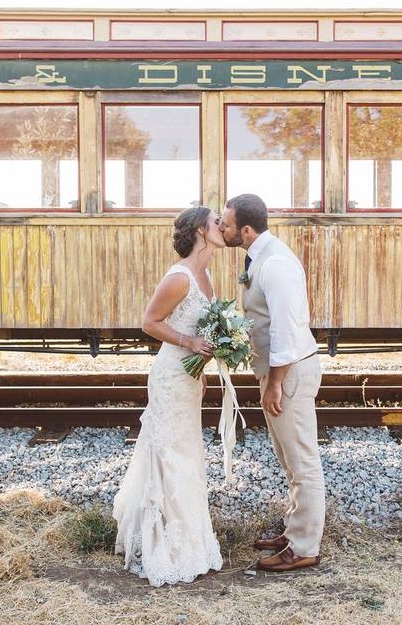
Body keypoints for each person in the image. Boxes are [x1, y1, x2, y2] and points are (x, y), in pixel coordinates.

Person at [112, 205, 226, 586]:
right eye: (216, 223)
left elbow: (203, 332)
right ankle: (162, 543)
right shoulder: (179, 278)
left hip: (189, 379)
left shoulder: (206, 277)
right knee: (168, 455)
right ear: (199, 230)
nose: (222, 227)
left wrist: (203, 366)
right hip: (168, 376)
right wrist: (190, 342)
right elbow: (149, 322)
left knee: (187, 453)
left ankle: (189, 537)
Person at [220, 193, 325, 572]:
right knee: (287, 457)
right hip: (278, 372)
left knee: (302, 461)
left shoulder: (276, 264)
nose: (220, 228)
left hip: (290, 373)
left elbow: (285, 328)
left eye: (225, 223)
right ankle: (295, 530)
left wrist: (275, 382)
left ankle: (304, 547)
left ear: (245, 230)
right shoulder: (260, 257)